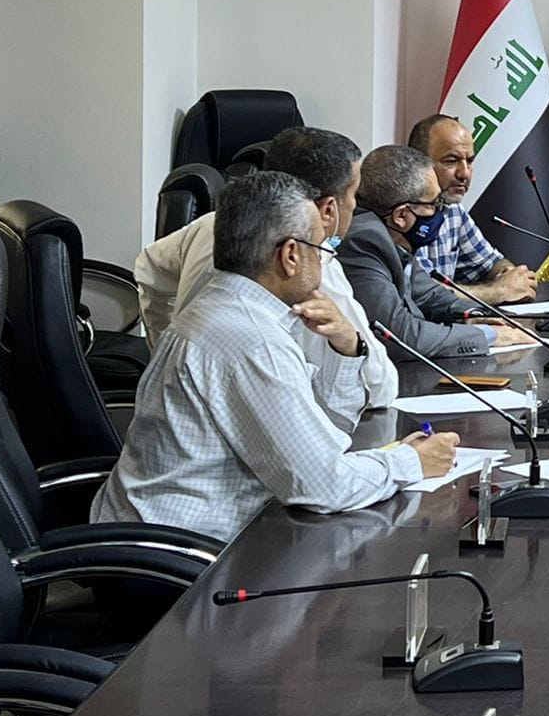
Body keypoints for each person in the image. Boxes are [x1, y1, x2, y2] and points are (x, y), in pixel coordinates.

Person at [93, 172, 460, 543]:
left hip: (166, 534)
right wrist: (411, 463)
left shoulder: (230, 307)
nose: (323, 262)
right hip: (178, 561)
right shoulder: (250, 340)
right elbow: (321, 487)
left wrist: (347, 348)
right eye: (321, 249)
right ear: (289, 255)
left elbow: (329, 434)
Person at [134, 126, 399, 422]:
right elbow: (379, 390)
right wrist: (353, 343)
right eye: (354, 195)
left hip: (185, 409)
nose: (355, 206)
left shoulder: (213, 223)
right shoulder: (311, 266)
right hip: (254, 424)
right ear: (328, 210)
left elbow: (148, 269)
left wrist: (163, 349)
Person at [338, 145, 520, 361]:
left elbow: (429, 295)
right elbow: (401, 336)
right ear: (401, 216)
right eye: (434, 204)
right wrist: (488, 335)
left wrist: (478, 316)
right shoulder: (363, 241)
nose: (441, 211)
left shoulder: (393, 239)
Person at [406, 113, 537, 303]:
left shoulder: (453, 210)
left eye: (470, 161)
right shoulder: (401, 216)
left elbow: (490, 262)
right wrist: (499, 291)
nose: (464, 173)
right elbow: (424, 293)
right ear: (418, 162)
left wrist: (509, 275)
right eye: (451, 161)